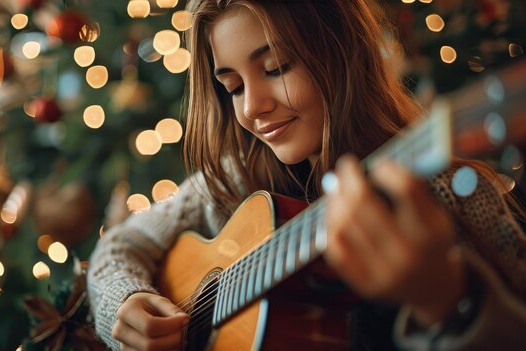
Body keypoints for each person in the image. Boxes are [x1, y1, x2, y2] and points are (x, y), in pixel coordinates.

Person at [88, 0, 526, 350]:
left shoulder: (459, 198)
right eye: (234, 87)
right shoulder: (234, 181)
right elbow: (122, 243)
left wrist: (445, 298)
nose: (251, 107)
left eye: (276, 68)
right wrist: (123, 302)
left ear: (340, 52)